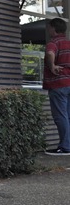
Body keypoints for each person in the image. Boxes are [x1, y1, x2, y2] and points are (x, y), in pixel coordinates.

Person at [43, 18, 70, 155]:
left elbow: (50, 53)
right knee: (68, 115)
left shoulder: (54, 42)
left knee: (60, 116)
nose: (48, 30)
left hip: (59, 84)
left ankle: (65, 147)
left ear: (53, 28)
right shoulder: (69, 43)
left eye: (49, 27)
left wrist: (52, 65)